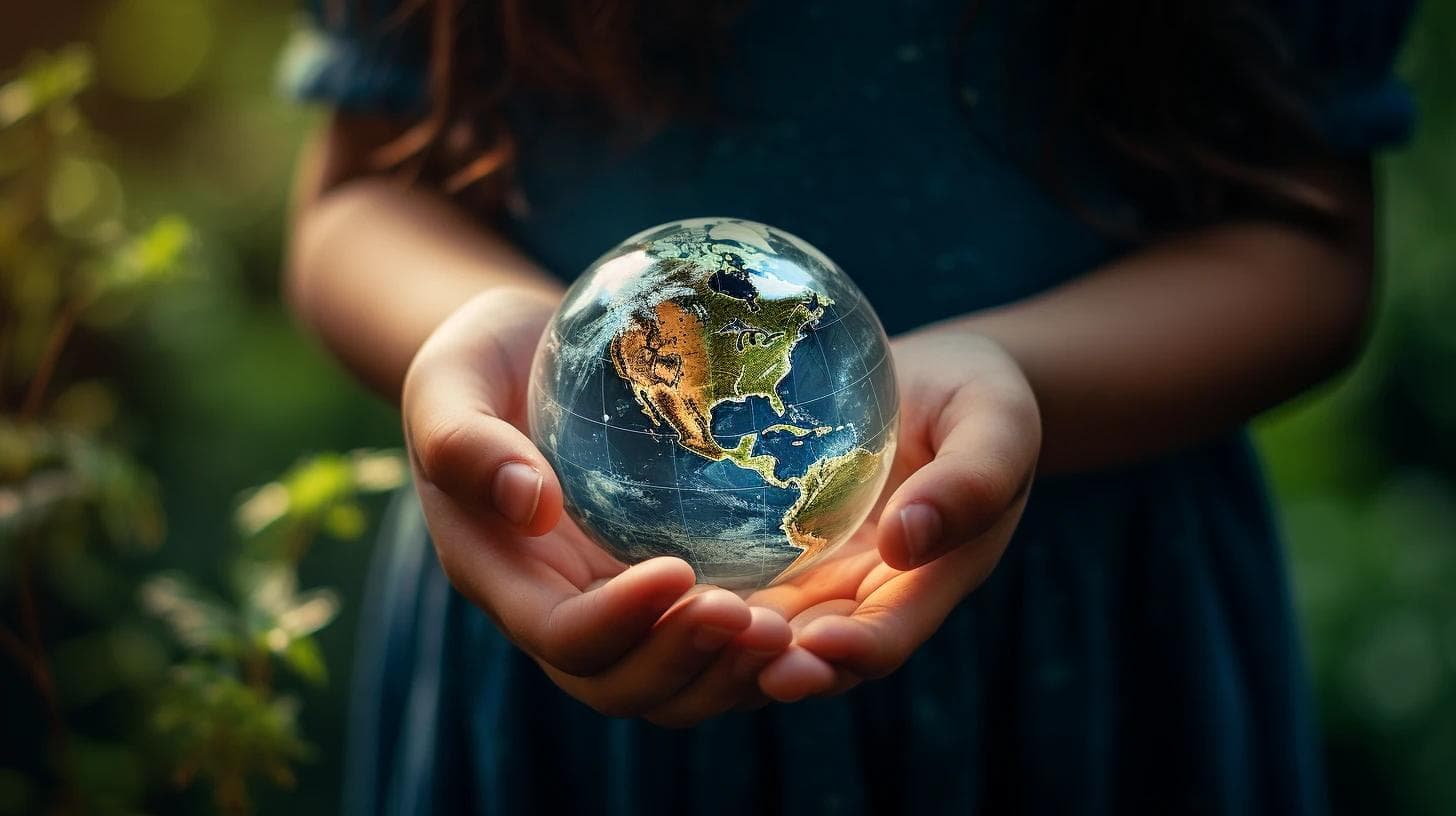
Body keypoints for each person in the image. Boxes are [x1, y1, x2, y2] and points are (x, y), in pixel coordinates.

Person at [280, 0, 1416, 812]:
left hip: (1087, 629)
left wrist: (1015, 378)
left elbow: (1310, 249)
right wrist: (495, 341)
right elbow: (360, 193)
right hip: (553, 557)